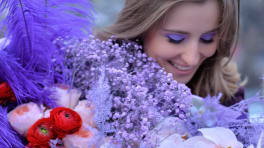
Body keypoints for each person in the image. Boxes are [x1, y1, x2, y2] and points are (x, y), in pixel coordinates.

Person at [97, 0, 244, 105]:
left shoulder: (228, 96)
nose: (191, 59)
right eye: (176, 39)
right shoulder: (93, 82)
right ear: (140, 29)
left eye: (207, 39)